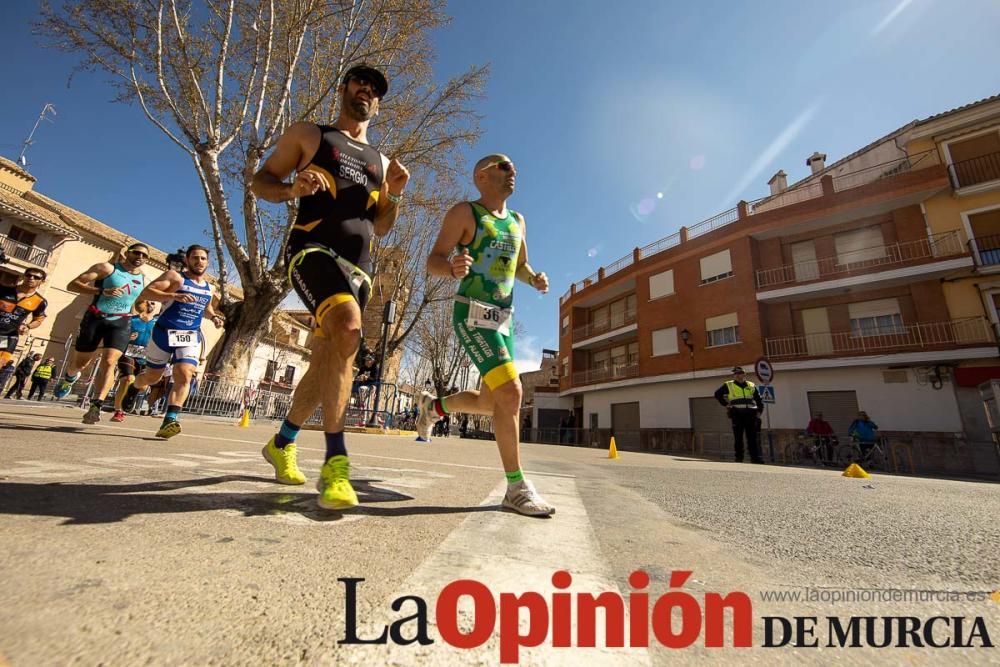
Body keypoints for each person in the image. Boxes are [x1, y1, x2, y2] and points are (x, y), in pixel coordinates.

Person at [250, 63, 410, 510]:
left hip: (358, 272)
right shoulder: (309, 135)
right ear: (344, 89)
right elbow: (260, 182)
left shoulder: (380, 162)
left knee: (328, 364)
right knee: (348, 326)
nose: (367, 91)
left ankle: (282, 443)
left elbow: (381, 228)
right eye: (361, 82)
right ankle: (336, 466)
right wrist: (292, 187)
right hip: (312, 250)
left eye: (376, 90)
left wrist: (394, 193)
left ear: (378, 104)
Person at [416, 153, 556, 517]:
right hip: (472, 315)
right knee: (512, 393)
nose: (514, 172)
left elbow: (520, 265)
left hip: (504, 321)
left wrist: (534, 277)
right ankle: (515, 487)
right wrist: (451, 268)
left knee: (487, 404)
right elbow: (434, 259)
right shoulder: (465, 213)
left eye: (515, 167)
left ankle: (433, 408)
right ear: (482, 176)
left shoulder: (517, 221)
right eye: (505, 166)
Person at [123, 245, 224, 438]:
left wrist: (213, 317)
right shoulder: (175, 277)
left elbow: (206, 307)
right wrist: (173, 295)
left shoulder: (209, 287)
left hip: (189, 335)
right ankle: (135, 387)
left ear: (207, 262)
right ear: (187, 260)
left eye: (203, 258)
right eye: (195, 258)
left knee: (185, 374)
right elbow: (146, 293)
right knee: (153, 377)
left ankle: (170, 419)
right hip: (163, 333)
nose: (199, 262)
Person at [52, 243, 149, 424]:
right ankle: (70, 377)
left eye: (145, 256)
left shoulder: (143, 279)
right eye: (137, 253)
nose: (140, 257)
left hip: (121, 321)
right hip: (96, 317)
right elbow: (73, 284)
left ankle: (96, 404)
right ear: (127, 253)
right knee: (81, 362)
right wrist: (101, 291)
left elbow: (138, 301)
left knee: (110, 361)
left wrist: (142, 312)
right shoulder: (107, 268)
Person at [111, 300, 158, 422]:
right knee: (127, 379)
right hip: (128, 354)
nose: (149, 305)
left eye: (153, 303)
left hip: (146, 358)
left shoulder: (157, 324)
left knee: (142, 387)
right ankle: (118, 411)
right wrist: (126, 337)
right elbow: (117, 335)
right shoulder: (131, 320)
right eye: (147, 302)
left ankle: (130, 396)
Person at [714, 366, 765, 464]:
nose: (737, 375)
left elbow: (759, 399)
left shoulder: (751, 385)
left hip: (751, 414)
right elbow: (717, 394)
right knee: (738, 437)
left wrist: (759, 412)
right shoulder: (729, 385)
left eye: (739, 373)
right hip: (737, 414)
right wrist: (726, 404)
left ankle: (755, 458)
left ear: (744, 374)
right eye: (736, 374)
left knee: (752, 437)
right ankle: (739, 458)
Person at [0, 269, 48, 366]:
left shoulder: (40, 301)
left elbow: (38, 320)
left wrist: (28, 326)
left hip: (7, 336)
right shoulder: (4, 290)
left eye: (36, 277)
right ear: (23, 276)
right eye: (28, 275)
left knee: (1, 362)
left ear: (42, 281)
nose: (31, 278)